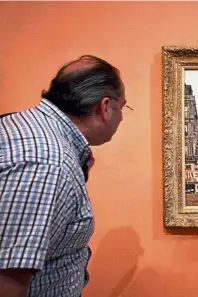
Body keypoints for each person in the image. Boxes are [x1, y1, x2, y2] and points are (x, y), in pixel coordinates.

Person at [0, 55, 128, 297]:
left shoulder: (24, 127)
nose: (121, 116)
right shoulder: (47, 162)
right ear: (105, 107)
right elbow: (7, 280)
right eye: (123, 106)